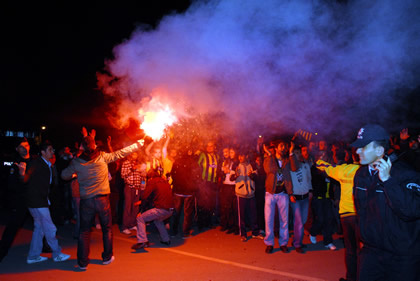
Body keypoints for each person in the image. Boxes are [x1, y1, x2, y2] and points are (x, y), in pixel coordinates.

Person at [61, 133, 144, 270]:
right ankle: (106, 257)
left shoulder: (77, 162)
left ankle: (82, 262)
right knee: (107, 229)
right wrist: (137, 145)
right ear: (94, 145)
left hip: (86, 201)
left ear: (82, 147)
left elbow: (64, 175)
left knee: (84, 231)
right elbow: (120, 153)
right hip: (102, 200)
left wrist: (76, 173)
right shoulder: (103, 156)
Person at [351, 124, 420, 281]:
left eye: (362, 147)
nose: (357, 151)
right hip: (371, 253)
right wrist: (363, 238)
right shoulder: (361, 175)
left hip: (403, 257)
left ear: (379, 151)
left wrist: (388, 181)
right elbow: (361, 211)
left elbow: (412, 211)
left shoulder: (406, 174)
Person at [23, 141, 71, 264]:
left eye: (52, 149)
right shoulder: (38, 163)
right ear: (43, 152)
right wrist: (22, 174)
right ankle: (57, 254)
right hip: (37, 202)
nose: (52, 151)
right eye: (50, 150)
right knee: (50, 228)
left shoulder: (46, 164)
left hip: (38, 201)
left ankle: (33, 256)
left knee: (39, 228)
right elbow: (26, 178)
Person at [316, 154, 360, 281]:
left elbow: (321, 166)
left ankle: (351, 278)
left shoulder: (345, 169)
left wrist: (319, 158)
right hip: (363, 214)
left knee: (351, 249)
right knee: (363, 249)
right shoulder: (369, 170)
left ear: (352, 156)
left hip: (347, 215)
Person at [263, 140, 296, 254]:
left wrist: (291, 153)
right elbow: (269, 169)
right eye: (281, 146)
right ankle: (269, 243)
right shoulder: (270, 159)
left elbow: (295, 168)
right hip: (270, 193)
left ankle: (283, 243)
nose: (283, 148)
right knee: (269, 219)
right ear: (276, 148)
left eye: (285, 146)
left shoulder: (287, 160)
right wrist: (270, 155)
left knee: (284, 220)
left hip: (283, 193)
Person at [131, 168, 174, 250]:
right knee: (158, 220)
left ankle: (142, 241)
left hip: (161, 209)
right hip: (170, 209)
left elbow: (145, 197)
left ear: (150, 177)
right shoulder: (164, 181)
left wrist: (141, 211)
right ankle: (166, 239)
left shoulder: (152, 182)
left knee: (140, 218)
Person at [231, 151, 263, 242]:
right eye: (239, 155)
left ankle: (255, 233)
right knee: (242, 215)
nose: (240, 157)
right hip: (240, 193)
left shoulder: (252, 165)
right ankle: (243, 234)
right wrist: (236, 175)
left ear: (247, 156)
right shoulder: (235, 165)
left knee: (253, 214)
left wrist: (252, 175)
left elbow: (257, 178)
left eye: (242, 155)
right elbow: (231, 178)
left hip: (251, 193)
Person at [286, 145, 312, 254]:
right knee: (299, 221)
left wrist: (310, 190)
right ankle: (297, 244)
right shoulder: (289, 166)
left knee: (303, 220)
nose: (298, 154)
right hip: (295, 197)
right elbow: (287, 181)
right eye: (295, 153)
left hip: (305, 197)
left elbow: (309, 179)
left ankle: (297, 240)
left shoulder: (305, 164)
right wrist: (290, 193)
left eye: (299, 152)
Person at [171, 147, 200, 238]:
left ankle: (173, 231)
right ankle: (185, 232)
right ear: (189, 152)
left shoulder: (177, 161)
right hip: (188, 191)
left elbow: (173, 174)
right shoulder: (193, 162)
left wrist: (177, 184)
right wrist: (193, 185)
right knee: (187, 213)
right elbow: (197, 175)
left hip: (178, 191)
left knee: (176, 211)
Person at [120, 152, 146, 235]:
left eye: (136, 154)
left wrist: (143, 175)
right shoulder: (126, 163)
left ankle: (132, 224)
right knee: (128, 207)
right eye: (134, 154)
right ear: (130, 154)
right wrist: (132, 169)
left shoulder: (138, 163)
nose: (136, 155)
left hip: (137, 188)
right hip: (129, 187)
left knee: (135, 207)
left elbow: (141, 176)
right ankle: (125, 227)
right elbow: (123, 175)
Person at [197, 141, 220, 229]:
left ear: (214, 147)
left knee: (211, 203)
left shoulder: (217, 157)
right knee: (203, 203)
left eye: (211, 146)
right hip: (204, 182)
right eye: (208, 146)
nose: (209, 147)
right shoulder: (203, 155)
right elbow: (197, 166)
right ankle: (201, 223)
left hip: (213, 183)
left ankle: (209, 221)